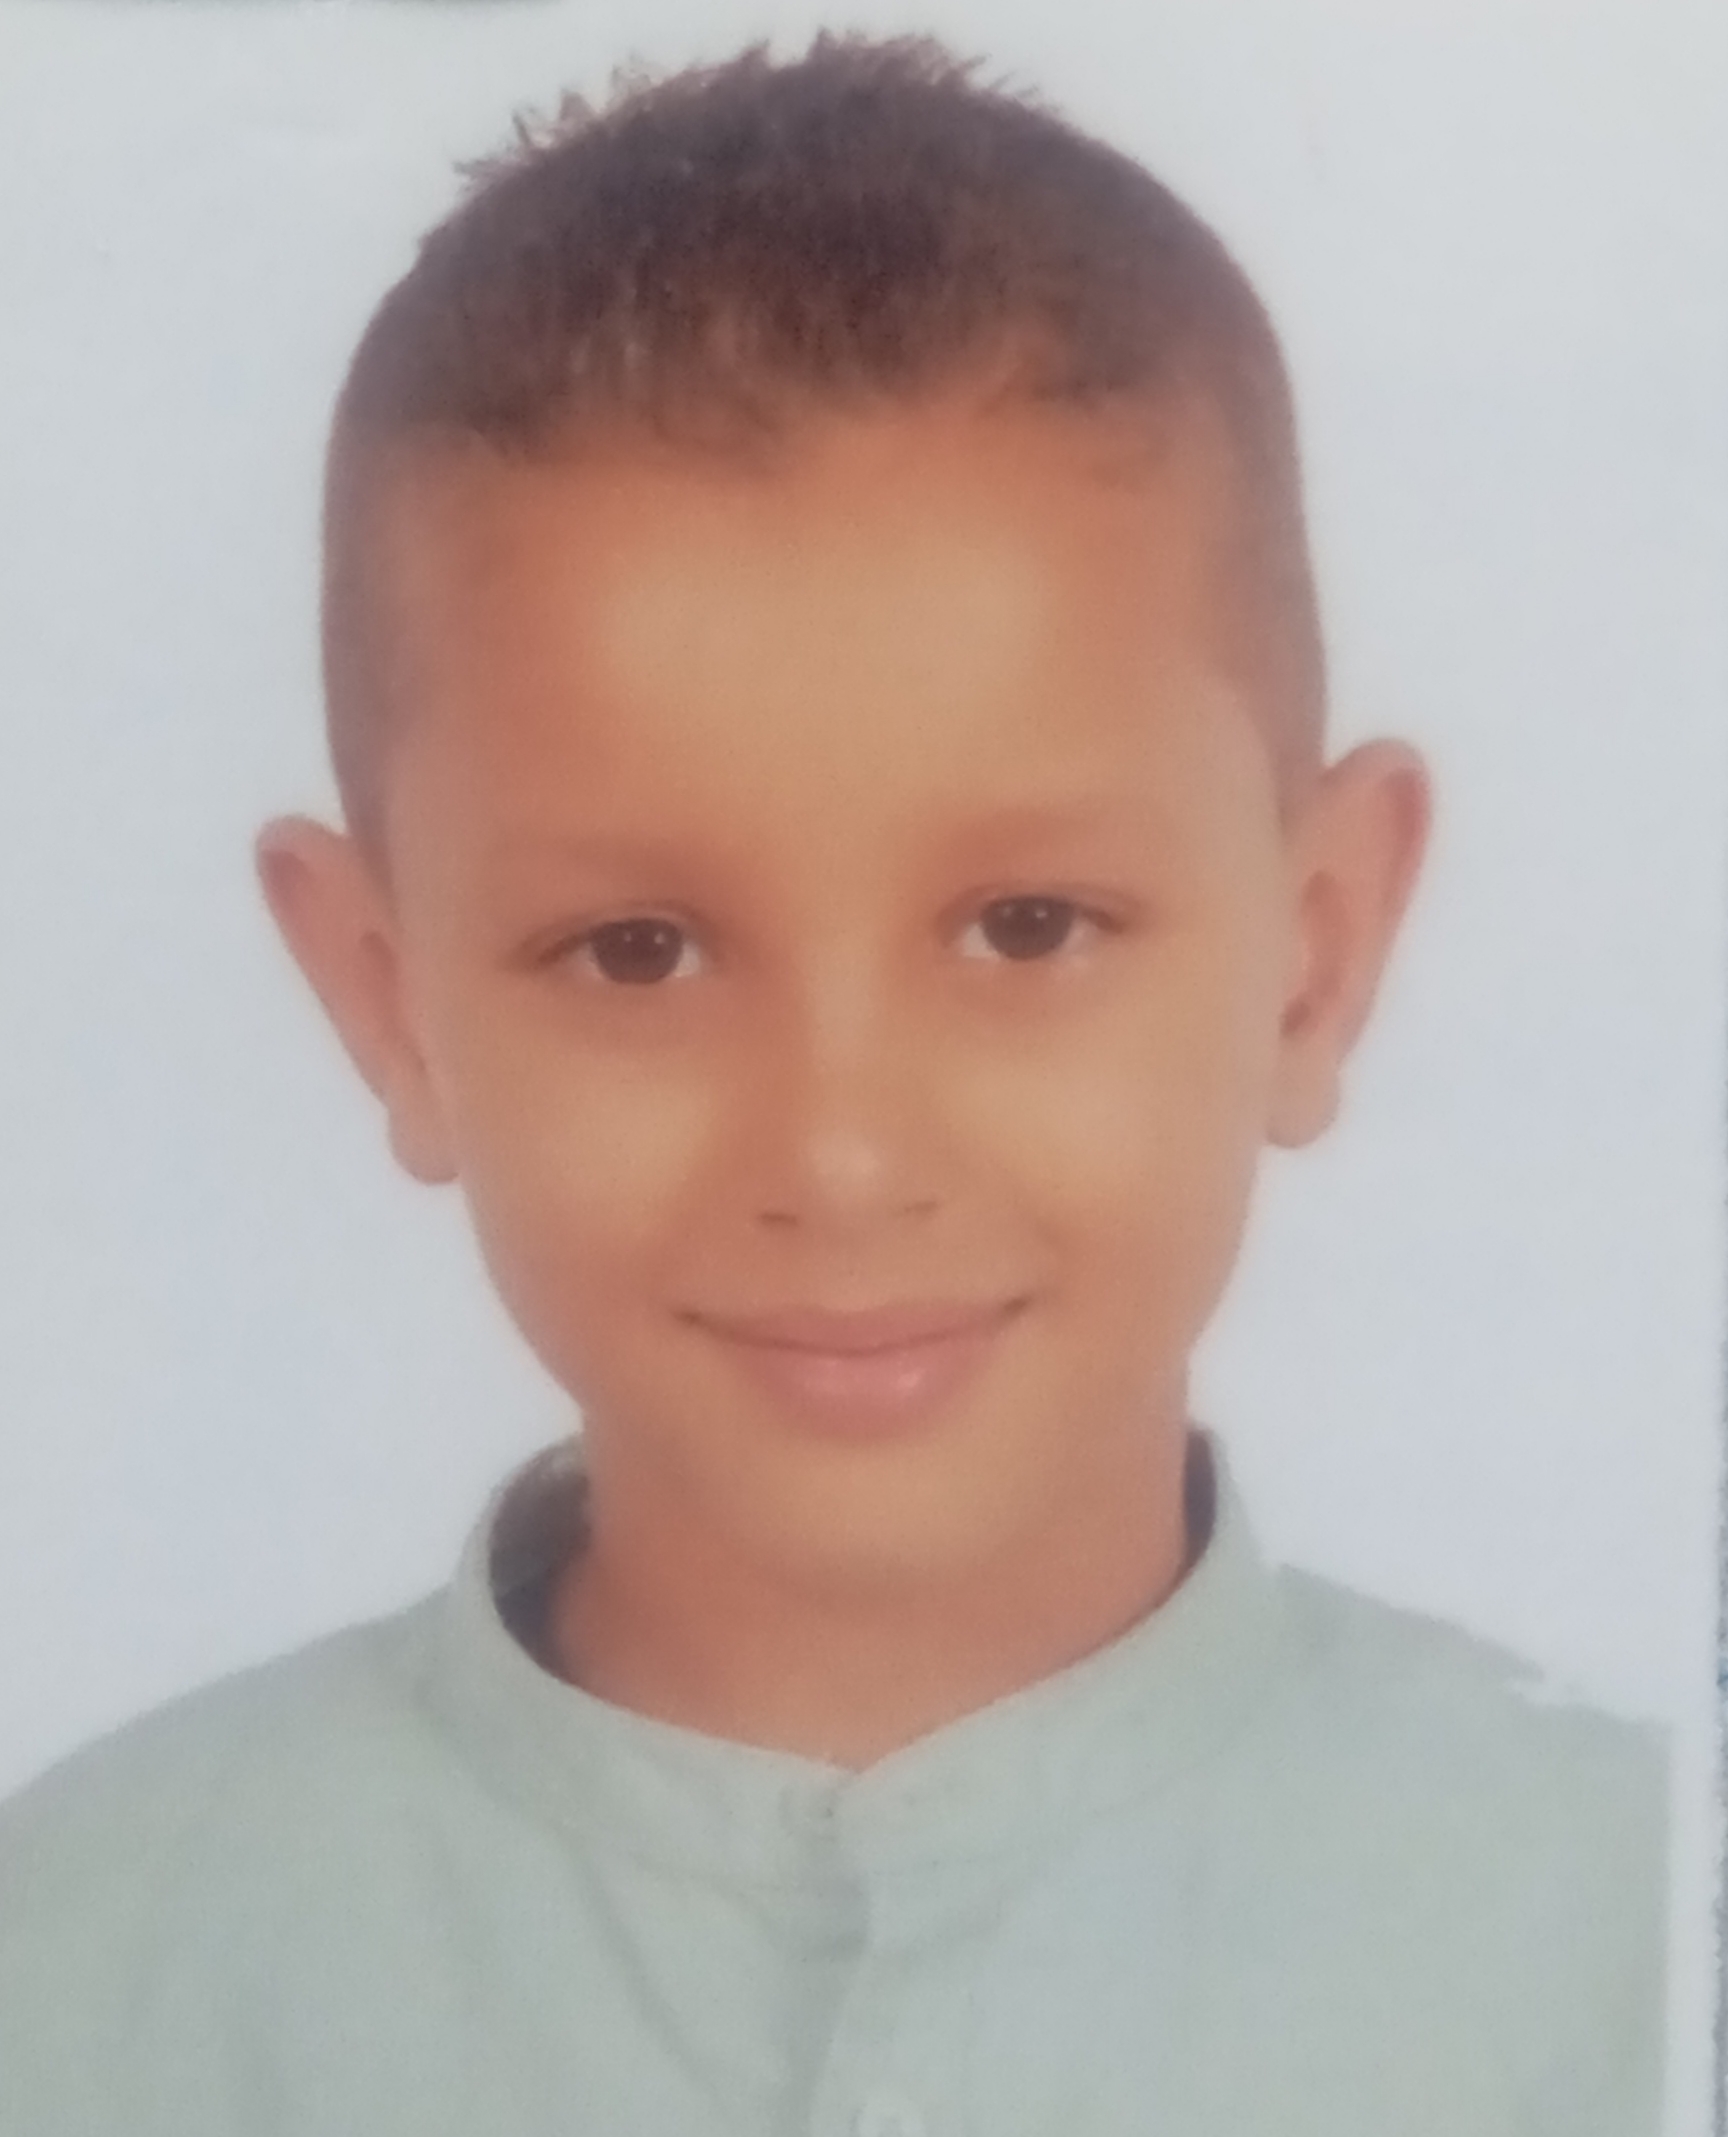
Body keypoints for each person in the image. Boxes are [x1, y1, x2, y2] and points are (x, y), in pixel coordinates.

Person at [0, 33, 1666, 2136]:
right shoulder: (74, 1980)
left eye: (1029, 926)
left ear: (1315, 954)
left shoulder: (1636, 1947)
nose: (845, 1153)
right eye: (639, 950)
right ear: (387, 1000)